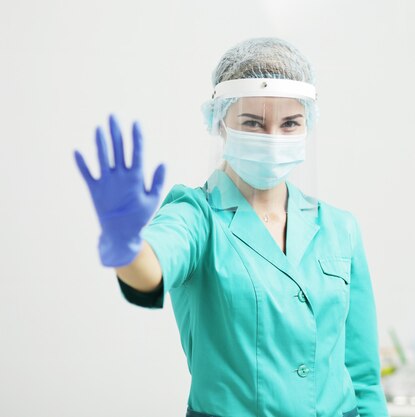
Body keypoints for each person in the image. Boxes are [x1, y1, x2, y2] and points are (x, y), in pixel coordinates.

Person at [74, 37, 388, 417]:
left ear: (309, 124)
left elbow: (363, 375)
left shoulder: (339, 228)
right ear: (220, 122)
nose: (273, 138)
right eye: (253, 122)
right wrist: (125, 246)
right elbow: (151, 267)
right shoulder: (196, 215)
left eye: (290, 123)